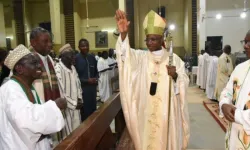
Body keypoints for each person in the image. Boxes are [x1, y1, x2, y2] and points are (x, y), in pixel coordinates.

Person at [115, 10, 190, 150]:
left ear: (162, 40)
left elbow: (184, 82)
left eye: (153, 39)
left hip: (167, 114)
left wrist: (175, 76)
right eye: (147, 39)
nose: (149, 42)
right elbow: (125, 57)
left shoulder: (174, 60)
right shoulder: (141, 58)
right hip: (146, 111)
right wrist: (124, 34)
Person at [0, 44, 67, 150]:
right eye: (34, 63)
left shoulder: (29, 88)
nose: (39, 66)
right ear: (20, 69)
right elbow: (26, 122)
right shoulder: (10, 90)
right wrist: (55, 106)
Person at [29, 27, 62, 145]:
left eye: (50, 41)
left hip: (51, 110)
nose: (50, 45)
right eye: (45, 41)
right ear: (33, 43)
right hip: (37, 115)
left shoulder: (49, 59)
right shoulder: (27, 62)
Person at [219, 30, 250, 149]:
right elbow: (227, 92)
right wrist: (223, 104)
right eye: (245, 41)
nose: (245, 46)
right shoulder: (240, 68)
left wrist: (235, 114)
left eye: (249, 43)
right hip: (234, 135)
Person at [55, 44, 83, 136]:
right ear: (63, 56)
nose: (74, 57)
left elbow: (78, 84)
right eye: (71, 55)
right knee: (68, 135)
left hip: (76, 107)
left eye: (74, 55)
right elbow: (61, 92)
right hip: (66, 108)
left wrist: (79, 98)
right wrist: (74, 104)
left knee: (77, 132)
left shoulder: (73, 67)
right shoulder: (58, 69)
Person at [75, 38, 98, 121]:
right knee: (85, 112)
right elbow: (75, 77)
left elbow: (96, 72)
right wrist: (86, 80)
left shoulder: (92, 58)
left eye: (86, 46)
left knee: (93, 110)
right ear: (79, 47)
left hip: (92, 89)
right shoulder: (76, 59)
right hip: (82, 89)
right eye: (82, 46)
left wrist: (96, 78)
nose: (85, 47)